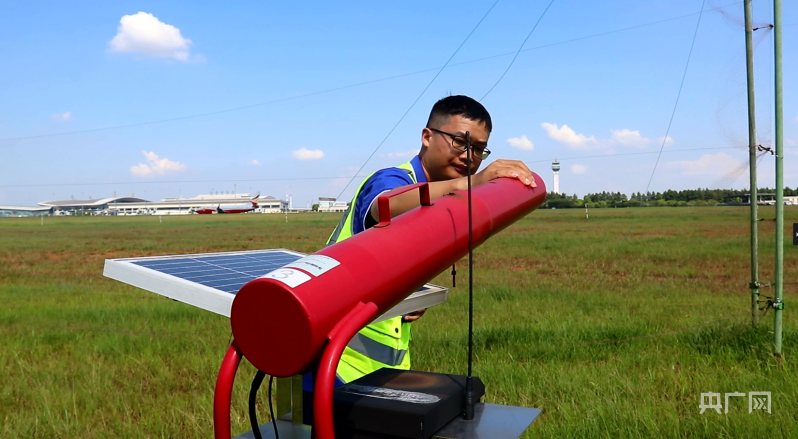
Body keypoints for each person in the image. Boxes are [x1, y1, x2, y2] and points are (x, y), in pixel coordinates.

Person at [302, 95, 536, 418]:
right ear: (427, 137)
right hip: (333, 368)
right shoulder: (393, 179)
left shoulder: (445, 194)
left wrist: (410, 295)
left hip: (381, 373)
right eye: (460, 142)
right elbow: (390, 204)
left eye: (479, 149)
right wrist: (474, 184)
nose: (470, 156)